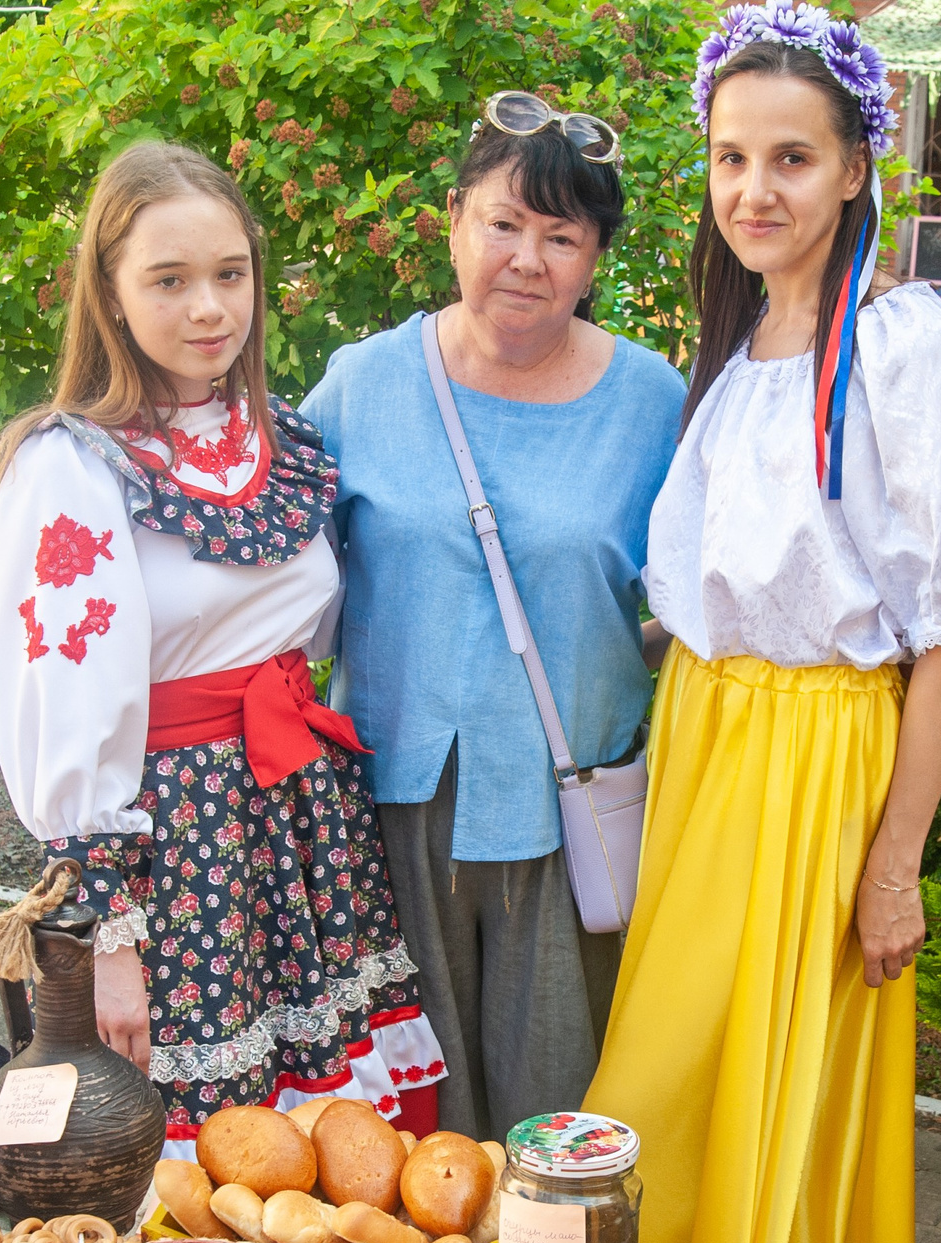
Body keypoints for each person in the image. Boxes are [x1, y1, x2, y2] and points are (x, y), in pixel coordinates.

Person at [585, 5, 941, 1243]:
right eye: (729, 159)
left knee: (741, 1090)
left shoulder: (899, 343)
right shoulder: (750, 331)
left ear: (856, 170)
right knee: (685, 1083)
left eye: (791, 160)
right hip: (709, 738)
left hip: (816, 758)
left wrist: (897, 861)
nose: (753, 191)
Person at [0, 141, 445, 1157]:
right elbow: (66, 697)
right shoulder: (73, 467)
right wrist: (109, 934)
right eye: (169, 280)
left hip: (307, 824)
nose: (209, 308)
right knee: (209, 1148)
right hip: (179, 846)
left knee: (337, 1153)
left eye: (230, 274)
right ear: (108, 290)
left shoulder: (283, 438)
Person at [301, 97, 686, 1141]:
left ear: (596, 255)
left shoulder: (654, 402)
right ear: (453, 220)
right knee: (399, 1114)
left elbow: (699, 607)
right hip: (388, 810)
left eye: (561, 236)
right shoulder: (361, 384)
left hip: (569, 812)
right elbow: (281, 582)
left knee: (558, 1113)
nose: (527, 258)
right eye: (504, 223)